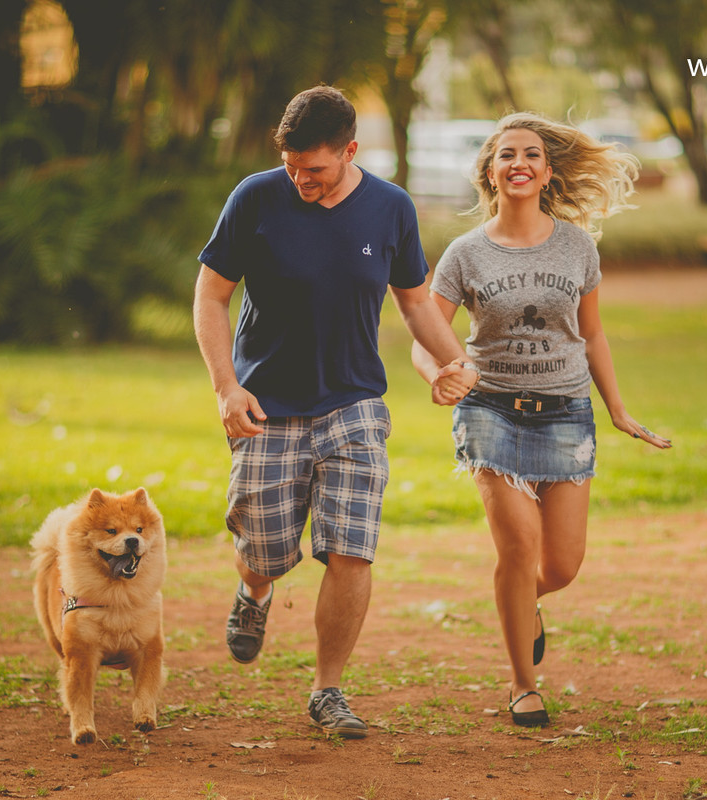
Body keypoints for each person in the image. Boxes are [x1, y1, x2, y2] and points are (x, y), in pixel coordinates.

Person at [193, 85, 478, 739]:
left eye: (314, 169)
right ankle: (256, 590)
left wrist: (452, 361)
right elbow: (210, 298)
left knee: (351, 549)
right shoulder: (255, 198)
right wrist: (226, 388)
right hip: (267, 406)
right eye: (291, 166)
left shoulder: (390, 208)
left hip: (354, 403)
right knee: (264, 549)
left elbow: (413, 304)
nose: (300, 181)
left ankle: (328, 690)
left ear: (350, 151)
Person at [413, 112, 672, 727]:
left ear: (547, 171)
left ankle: (521, 601)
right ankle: (523, 685)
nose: (519, 163)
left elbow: (594, 333)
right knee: (518, 544)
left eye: (530, 154)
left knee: (559, 566)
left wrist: (617, 409)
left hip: (565, 411)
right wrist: (440, 375)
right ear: (491, 172)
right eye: (506, 155)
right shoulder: (464, 253)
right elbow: (427, 335)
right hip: (490, 410)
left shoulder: (577, 245)